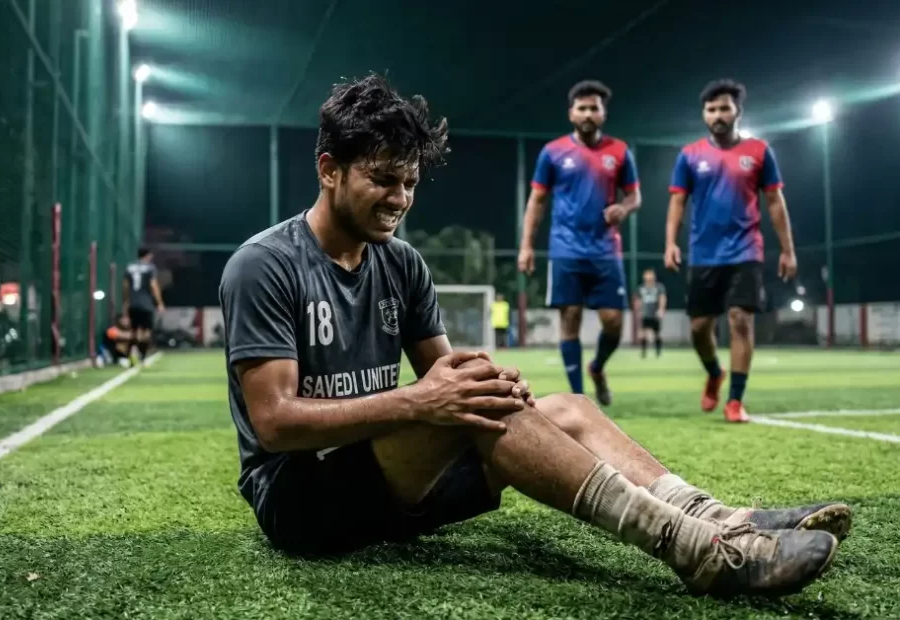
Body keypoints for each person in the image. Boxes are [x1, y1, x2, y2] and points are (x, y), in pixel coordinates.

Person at [219, 73, 849, 599]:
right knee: (477, 413)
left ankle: (719, 518)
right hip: (302, 501)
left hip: (389, 481)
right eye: (383, 179)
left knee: (565, 408)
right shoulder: (266, 265)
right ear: (329, 169)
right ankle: (698, 551)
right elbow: (275, 423)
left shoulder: (400, 262)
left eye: (410, 182)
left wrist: (484, 379)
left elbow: (450, 375)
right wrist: (422, 401)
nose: (400, 198)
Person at [664, 79, 797, 424]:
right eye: (711, 109)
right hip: (703, 254)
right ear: (704, 115)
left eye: (724, 108)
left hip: (745, 250)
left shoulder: (759, 152)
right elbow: (677, 202)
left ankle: (735, 401)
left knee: (740, 320)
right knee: (698, 328)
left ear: (738, 111)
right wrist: (670, 243)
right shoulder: (690, 155)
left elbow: (775, 202)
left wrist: (787, 250)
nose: (718, 115)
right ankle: (713, 373)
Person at [517, 80, 639, 405]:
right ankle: (579, 397)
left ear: (603, 113)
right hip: (565, 248)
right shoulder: (554, 152)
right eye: (582, 107)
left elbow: (635, 196)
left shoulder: (620, 151)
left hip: (606, 249)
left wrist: (623, 208)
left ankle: (597, 367)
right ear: (571, 113)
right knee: (569, 316)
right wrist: (526, 245)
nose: (588, 113)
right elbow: (537, 200)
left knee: (613, 322)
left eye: (594, 108)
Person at [123, 248, 165, 363]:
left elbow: (126, 287)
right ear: (148, 255)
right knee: (146, 332)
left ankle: (129, 356)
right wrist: (160, 302)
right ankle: (142, 355)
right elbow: (153, 285)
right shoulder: (150, 268)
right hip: (146, 304)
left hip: (133, 303)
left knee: (134, 331)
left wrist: (126, 303)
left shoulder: (129, 267)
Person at [636, 269, 666, 358]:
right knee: (642, 334)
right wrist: (639, 311)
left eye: (651, 276)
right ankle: (643, 352)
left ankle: (658, 351)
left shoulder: (659, 287)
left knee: (657, 334)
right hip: (645, 314)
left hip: (655, 314)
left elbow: (662, 298)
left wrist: (661, 309)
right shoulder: (641, 288)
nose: (649, 278)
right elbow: (639, 300)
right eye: (647, 276)